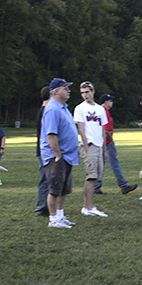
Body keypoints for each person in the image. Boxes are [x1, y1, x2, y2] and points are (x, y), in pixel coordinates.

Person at [41, 78, 79, 228]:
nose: (69, 90)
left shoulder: (63, 107)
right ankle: (53, 219)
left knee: (63, 189)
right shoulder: (52, 109)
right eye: (65, 88)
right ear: (56, 91)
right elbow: (51, 135)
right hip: (57, 156)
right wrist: (57, 155)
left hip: (67, 155)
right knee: (55, 189)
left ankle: (60, 216)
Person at [74, 81, 108, 217]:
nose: (85, 95)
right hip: (90, 145)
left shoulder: (100, 109)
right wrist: (86, 144)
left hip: (99, 146)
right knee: (91, 176)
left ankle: (88, 206)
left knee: (96, 177)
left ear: (93, 92)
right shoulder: (80, 108)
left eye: (87, 92)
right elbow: (80, 128)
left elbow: (103, 129)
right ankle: (88, 207)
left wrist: (105, 150)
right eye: (82, 93)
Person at [96, 94, 137, 195]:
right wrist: (111, 140)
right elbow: (106, 130)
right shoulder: (104, 112)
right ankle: (123, 186)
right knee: (114, 164)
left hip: (101, 142)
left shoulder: (101, 111)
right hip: (107, 143)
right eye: (110, 101)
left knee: (100, 166)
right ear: (106, 102)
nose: (112, 103)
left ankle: (95, 187)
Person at [35, 86, 51, 217]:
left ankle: (46, 205)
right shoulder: (45, 111)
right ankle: (41, 207)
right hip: (44, 150)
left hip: (42, 150)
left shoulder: (43, 110)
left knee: (47, 178)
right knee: (45, 179)